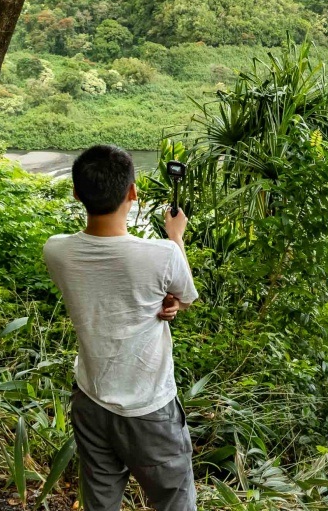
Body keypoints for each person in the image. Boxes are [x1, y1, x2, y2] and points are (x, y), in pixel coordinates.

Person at [43, 145, 198, 511]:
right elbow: (186, 296)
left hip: (91, 399)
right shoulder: (161, 254)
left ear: (77, 193)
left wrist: (161, 297)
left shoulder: (56, 251)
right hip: (149, 406)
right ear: (132, 192)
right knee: (174, 500)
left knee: (100, 501)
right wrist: (175, 236)